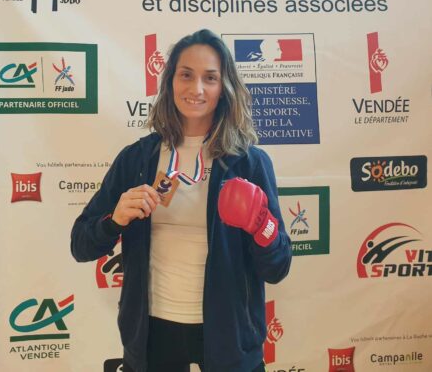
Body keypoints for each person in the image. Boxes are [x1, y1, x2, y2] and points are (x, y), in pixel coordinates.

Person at [71, 29, 292, 372]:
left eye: (210, 78)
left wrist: (261, 226)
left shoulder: (249, 163)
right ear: (171, 81)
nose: (197, 88)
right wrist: (113, 221)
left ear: (224, 87)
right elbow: (80, 245)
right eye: (186, 75)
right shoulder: (137, 159)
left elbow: (277, 267)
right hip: (152, 335)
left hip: (229, 336)